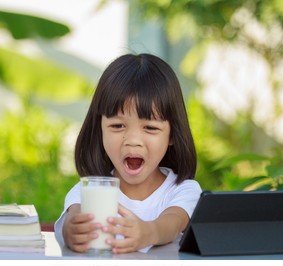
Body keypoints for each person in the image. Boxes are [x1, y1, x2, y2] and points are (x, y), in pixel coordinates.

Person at [54, 53, 202, 254]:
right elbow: (74, 217)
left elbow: (173, 223)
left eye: (150, 128)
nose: (132, 140)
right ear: (100, 130)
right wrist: (72, 231)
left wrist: (149, 232)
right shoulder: (89, 190)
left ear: (172, 135)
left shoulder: (183, 191)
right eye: (117, 125)